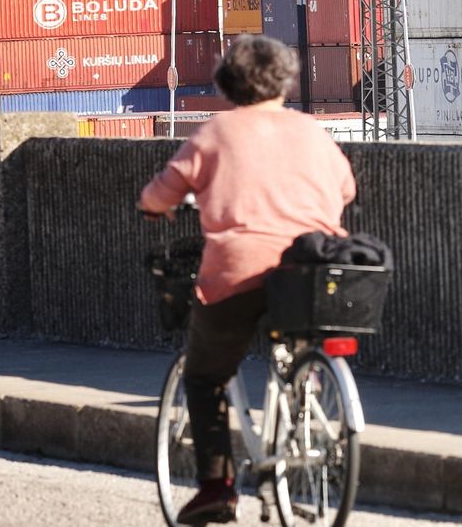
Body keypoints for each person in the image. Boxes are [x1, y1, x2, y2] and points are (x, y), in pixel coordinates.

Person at [139, 34, 357, 525]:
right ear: (285, 80)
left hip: (239, 271)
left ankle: (217, 488)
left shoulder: (214, 133)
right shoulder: (313, 132)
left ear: (226, 84)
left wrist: (155, 207)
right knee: (302, 342)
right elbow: (345, 188)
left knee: (204, 373)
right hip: (310, 270)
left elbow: (160, 194)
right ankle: (308, 404)